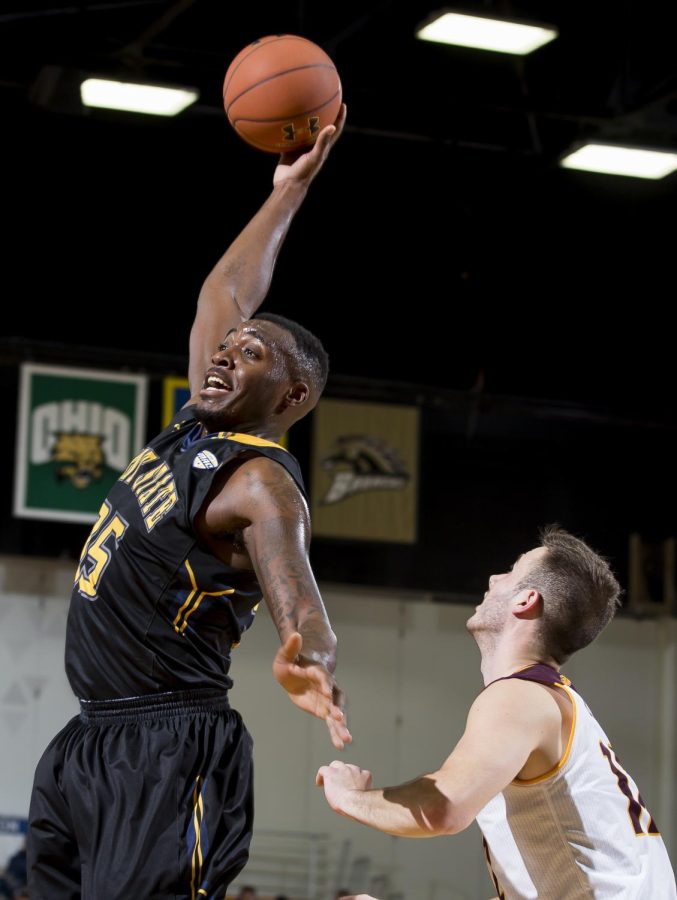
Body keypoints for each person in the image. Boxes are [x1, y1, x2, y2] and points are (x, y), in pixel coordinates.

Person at [27, 106, 352, 900]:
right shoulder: (189, 426)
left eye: (250, 354)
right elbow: (226, 287)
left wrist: (305, 655)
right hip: (92, 736)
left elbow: (300, 600)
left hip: (170, 745)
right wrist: (290, 188)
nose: (223, 355)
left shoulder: (259, 481)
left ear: (292, 392)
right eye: (226, 346)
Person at [317, 525, 677, 899]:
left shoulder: (519, 699)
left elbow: (442, 808)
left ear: (526, 600)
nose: (493, 578)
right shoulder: (551, 704)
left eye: (510, 572)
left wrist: (349, 798)